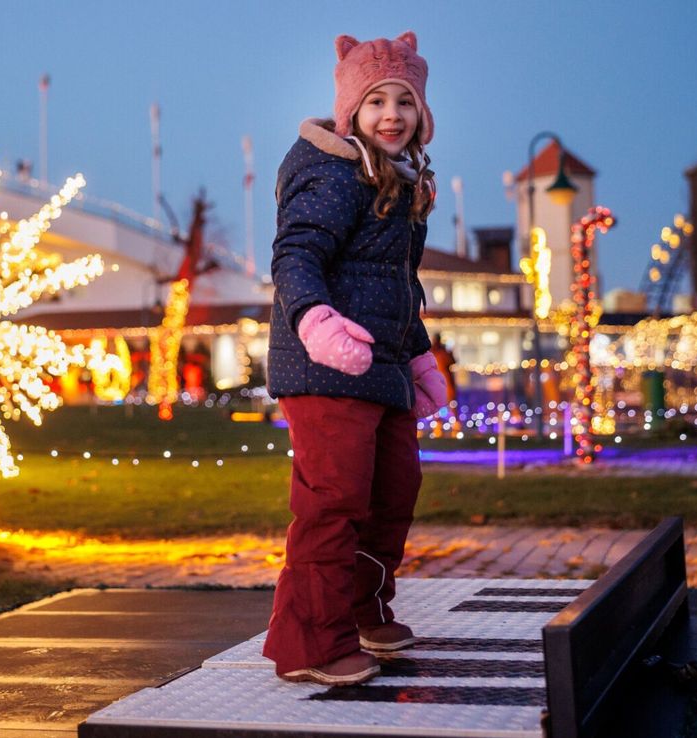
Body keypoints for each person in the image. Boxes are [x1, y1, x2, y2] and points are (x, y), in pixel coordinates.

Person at [263, 31, 447, 687]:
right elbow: (296, 255)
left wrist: (419, 358)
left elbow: (398, 285)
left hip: (383, 367)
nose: (392, 114)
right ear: (351, 111)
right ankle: (311, 643)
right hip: (325, 366)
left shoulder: (402, 183)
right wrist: (315, 321)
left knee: (393, 493)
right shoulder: (334, 174)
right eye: (376, 101)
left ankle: (365, 611)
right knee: (334, 501)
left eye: (405, 101)